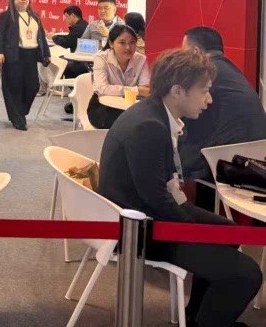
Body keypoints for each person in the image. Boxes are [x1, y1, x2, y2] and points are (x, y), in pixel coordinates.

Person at [98, 48, 262, 327]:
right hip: (141, 230)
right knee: (247, 274)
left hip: (148, 214)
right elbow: (156, 199)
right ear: (177, 91)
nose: (209, 99)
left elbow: (162, 193)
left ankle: (200, 315)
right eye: (204, 91)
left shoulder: (154, 115)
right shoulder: (149, 127)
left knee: (230, 232)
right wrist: (192, 228)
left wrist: (193, 222)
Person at [180, 27, 266, 181]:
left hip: (227, 160)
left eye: (183, 52)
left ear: (196, 51)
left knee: (165, 151)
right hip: (256, 156)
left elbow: (180, 114)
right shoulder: (231, 71)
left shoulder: (203, 72)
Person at [0, 0, 50, 131]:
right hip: (14, 55)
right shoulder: (6, 16)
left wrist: (46, 54)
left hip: (31, 55)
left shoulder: (35, 16)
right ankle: (18, 119)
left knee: (33, 86)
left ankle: (19, 112)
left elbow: (42, 36)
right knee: (14, 87)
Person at [86, 24, 151, 129]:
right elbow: (102, 89)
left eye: (132, 42)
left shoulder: (141, 60)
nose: (128, 47)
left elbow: (146, 89)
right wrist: (137, 90)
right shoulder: (101, 58)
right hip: (103, 106)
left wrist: (139, 91)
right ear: (111, 44)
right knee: (129, 124)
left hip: (132, 107)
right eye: (122, 43)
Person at [63, 0, 125, 83]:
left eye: (106, 8)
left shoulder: (122, 26)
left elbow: (124, 46)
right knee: (68, 66)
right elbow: (82, 43)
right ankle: (81, 90)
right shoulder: (93, 25)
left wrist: (109, 35)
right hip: (91, 61)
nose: (102, 11)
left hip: (113, 63)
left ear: (114, 9)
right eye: (100, 8)